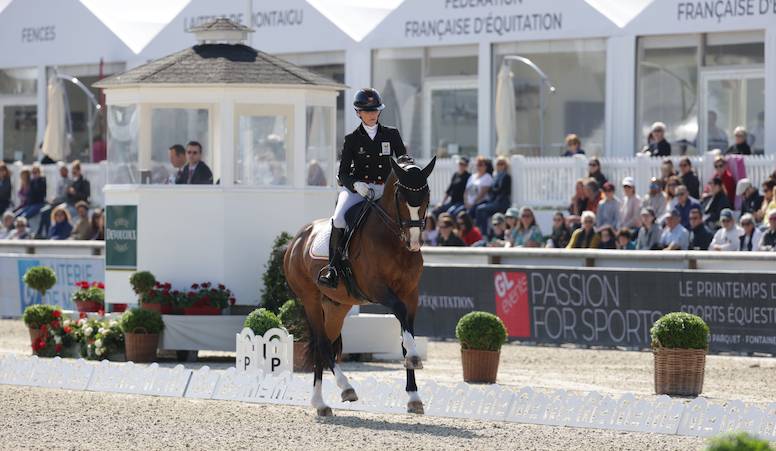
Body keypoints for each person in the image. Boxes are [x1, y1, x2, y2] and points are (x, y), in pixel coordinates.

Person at [318, 88, 407, 288]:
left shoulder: (391, 134)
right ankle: (333, 268)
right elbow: (342, 174)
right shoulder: (352, 139)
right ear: (358, 113)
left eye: (375, 110)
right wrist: (356, 185)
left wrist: (407, 167)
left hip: (385, 188)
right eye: (367, 111)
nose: (372, 114)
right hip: (359, 189)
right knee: (339, 218)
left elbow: (403, 158)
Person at [474, 156, 511, 233]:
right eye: (498, 164)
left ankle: (481, 232)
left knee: (480, 209)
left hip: (501, 203)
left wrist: (493, 190)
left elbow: (500, 190)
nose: (500, 166)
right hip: (494, 201)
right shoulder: (495, 176)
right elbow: (492, 190)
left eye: (502, 164)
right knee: (481, 210)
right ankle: (483, 232)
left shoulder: (506, 176)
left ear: (505, 165)